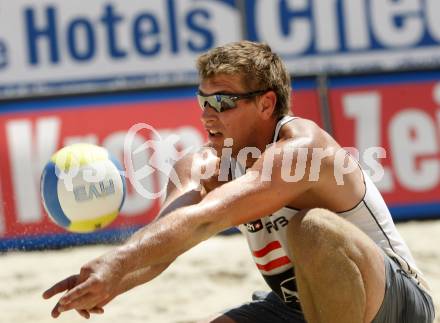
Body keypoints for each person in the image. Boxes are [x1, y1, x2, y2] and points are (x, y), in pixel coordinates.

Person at [43, 41, 435, 323]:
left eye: (222, 102)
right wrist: (106, 283)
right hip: (296, 307)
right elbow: (169, 238)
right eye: (203, 101)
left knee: (313, 227)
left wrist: (115, 261)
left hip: (395, 304)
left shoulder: (301, 147)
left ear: (266, 103)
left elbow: (207, 218)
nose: (207, 115)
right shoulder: (199, 165)